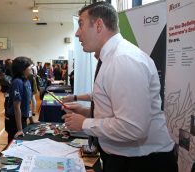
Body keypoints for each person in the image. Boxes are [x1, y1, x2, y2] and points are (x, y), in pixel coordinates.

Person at [62, 2, 178, 172]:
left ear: (99, 25)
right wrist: (85, 111)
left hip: (141, 163)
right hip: (128, 159)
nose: (77, 33)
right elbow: (117, 112)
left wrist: (85, 124)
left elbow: (134, 128)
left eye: (81, 24)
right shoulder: (112, 58)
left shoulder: (123, 60)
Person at [5, 56, 33, 143]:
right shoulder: (17, 82)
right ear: (22, 69)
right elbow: (17, 107)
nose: (32, 67)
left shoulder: (27, 81)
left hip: (23, 119)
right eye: (30, 66)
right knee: (14, 144)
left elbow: (28, 103)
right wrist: (19, 129)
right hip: (15, 121)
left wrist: (31, 120)